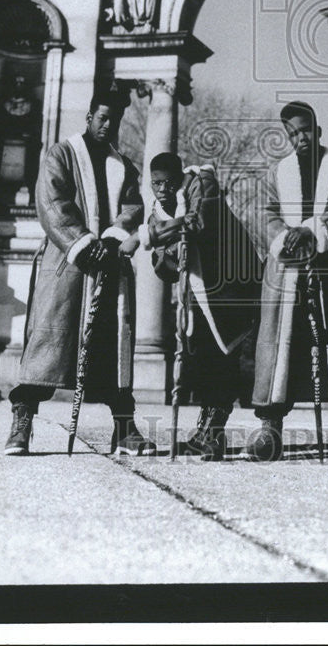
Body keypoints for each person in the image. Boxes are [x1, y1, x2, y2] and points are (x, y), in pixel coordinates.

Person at [4, 90, 156, 457]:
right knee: (48, 345)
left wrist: (113, 238)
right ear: (88, 116)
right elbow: (52, 203)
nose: (108, 126)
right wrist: (85, 244)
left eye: (115, 120)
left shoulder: (125, 165)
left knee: (112, 349)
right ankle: (22, 423)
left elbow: (132, 206)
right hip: (67, 264)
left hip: (111, 265)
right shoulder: (61, 154)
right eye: (103, 118)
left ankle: (124, 428)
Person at [245, 101, 328, 463]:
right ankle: (270, 425)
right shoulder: (276, 174)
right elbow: (262, 210)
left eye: (304, 130)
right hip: (286, 273)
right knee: (280, 347)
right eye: (292, 134)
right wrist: (285, 237)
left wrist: (314, 230)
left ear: (316, 129)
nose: (300, 138)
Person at [119, 153, 260, 460]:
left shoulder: (202, 183)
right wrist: (169, 254)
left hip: (232, 284)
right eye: (156, 183)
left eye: (168, 182)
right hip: (197, 294)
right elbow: (162, 268)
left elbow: (197, 221)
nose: (162, 190)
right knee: (205, 357)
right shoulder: (157, 212)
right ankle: (205, 429)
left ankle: (214, 433)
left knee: (224, 355)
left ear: (179, 176)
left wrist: (143, 236)